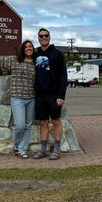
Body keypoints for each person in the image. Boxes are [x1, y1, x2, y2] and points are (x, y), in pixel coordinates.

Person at [33, 28, 68, 161]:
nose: (43, 38)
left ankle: (57, 150)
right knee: (43, 122)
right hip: (40, 94)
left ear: (50, 37)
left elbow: (63, 76)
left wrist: (61, 95)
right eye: (41, 36)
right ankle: (43, 150)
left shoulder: (58, 54)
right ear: (38, 38)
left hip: (54, 94)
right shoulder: (35, 54)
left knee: (56, 121)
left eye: (46, 35)